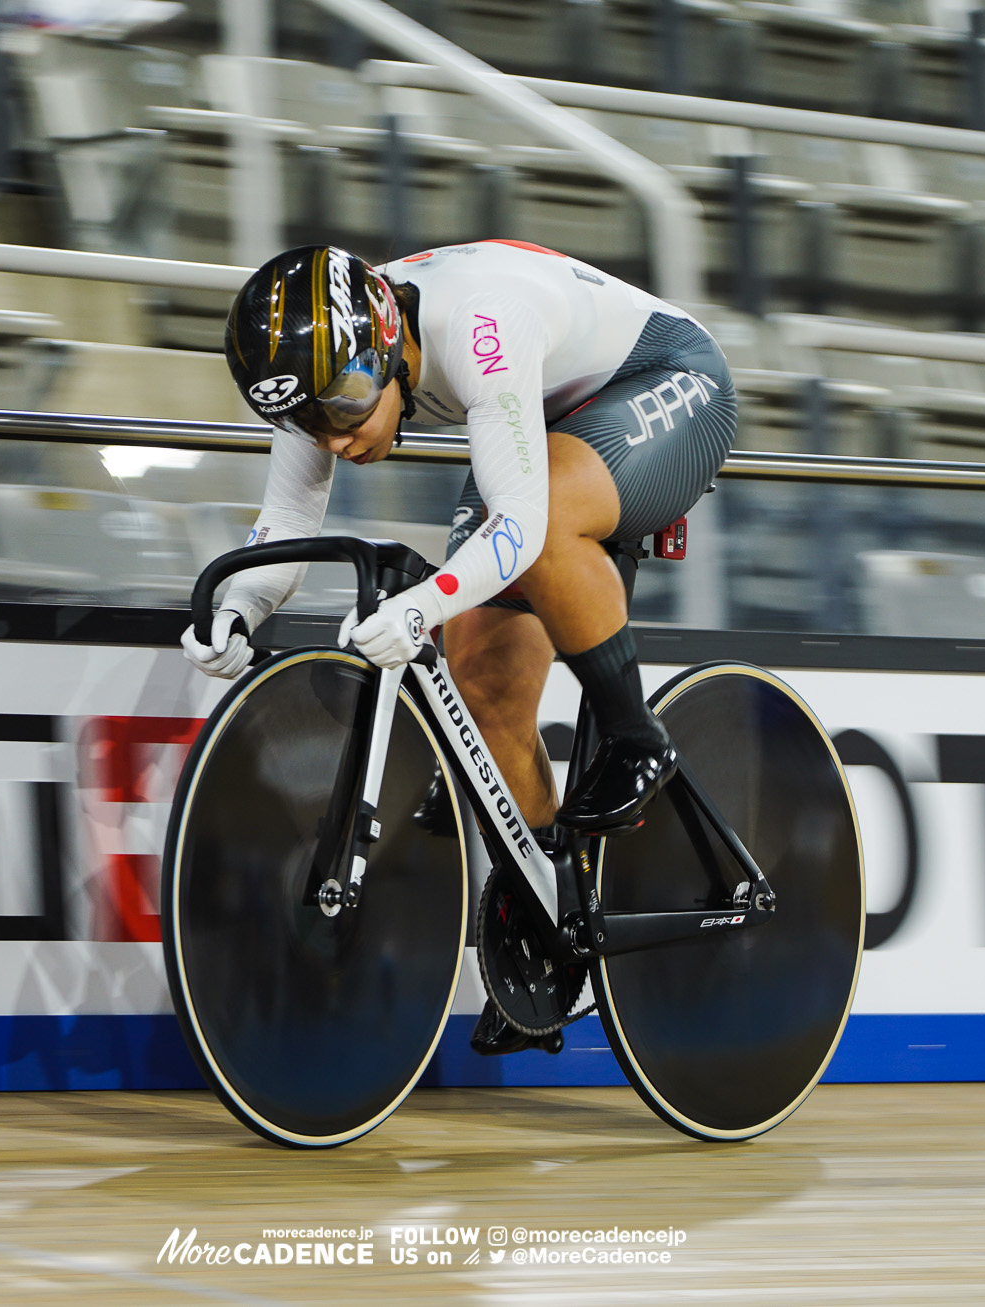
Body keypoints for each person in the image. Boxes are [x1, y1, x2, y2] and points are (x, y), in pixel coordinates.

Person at [184, 240, 737, 1051]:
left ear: (386, 345)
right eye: (306, 422)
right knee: (480, 692)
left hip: (668, 382)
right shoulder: (327, 366)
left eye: (340, 413)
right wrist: (237, 609)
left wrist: (415, 613)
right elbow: (288, 523)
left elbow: (519, 529)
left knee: (540, 537)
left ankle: (635, 739)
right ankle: (557, 928)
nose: (332, 440)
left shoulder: (477, 320)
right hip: (538, 416)